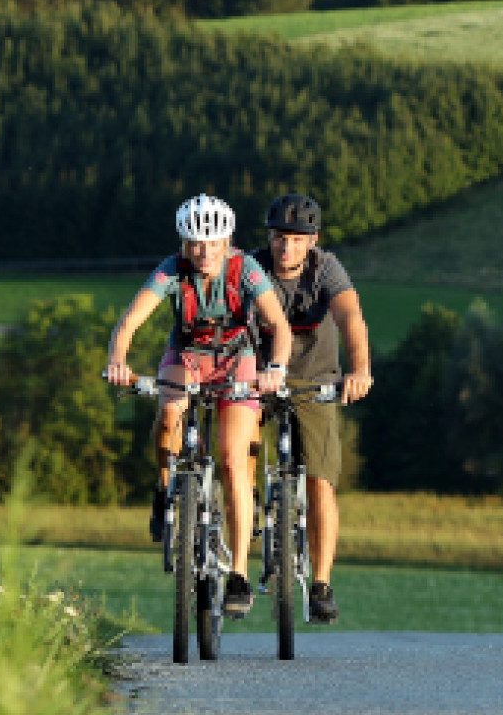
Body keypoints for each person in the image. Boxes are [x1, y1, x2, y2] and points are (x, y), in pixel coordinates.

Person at [104, 193, 291, 619]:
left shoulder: (246, 269)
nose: (203, 252)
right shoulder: (172, 270)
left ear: (227, 241)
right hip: (187, 357)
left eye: (211, 243)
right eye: (194, 244)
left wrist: (275, 367)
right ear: (184, 243)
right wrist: (118, 361)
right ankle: (166, 487)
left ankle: (239, 574)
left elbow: (277, 324)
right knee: (169, 413)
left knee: (231, 459)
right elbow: (131, 319)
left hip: (237, 360)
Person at [258, 192, 372, 625]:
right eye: (278, 238)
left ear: (313, 241)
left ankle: (321, 585)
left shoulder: (326, 268)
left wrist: (359, 370)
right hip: (260, 376)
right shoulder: (252, 269)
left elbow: (350, 317)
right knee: (240, 450)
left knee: (320, 480)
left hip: (315, 380)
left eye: (296, 239)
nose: (286, 248)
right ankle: (242, 510)